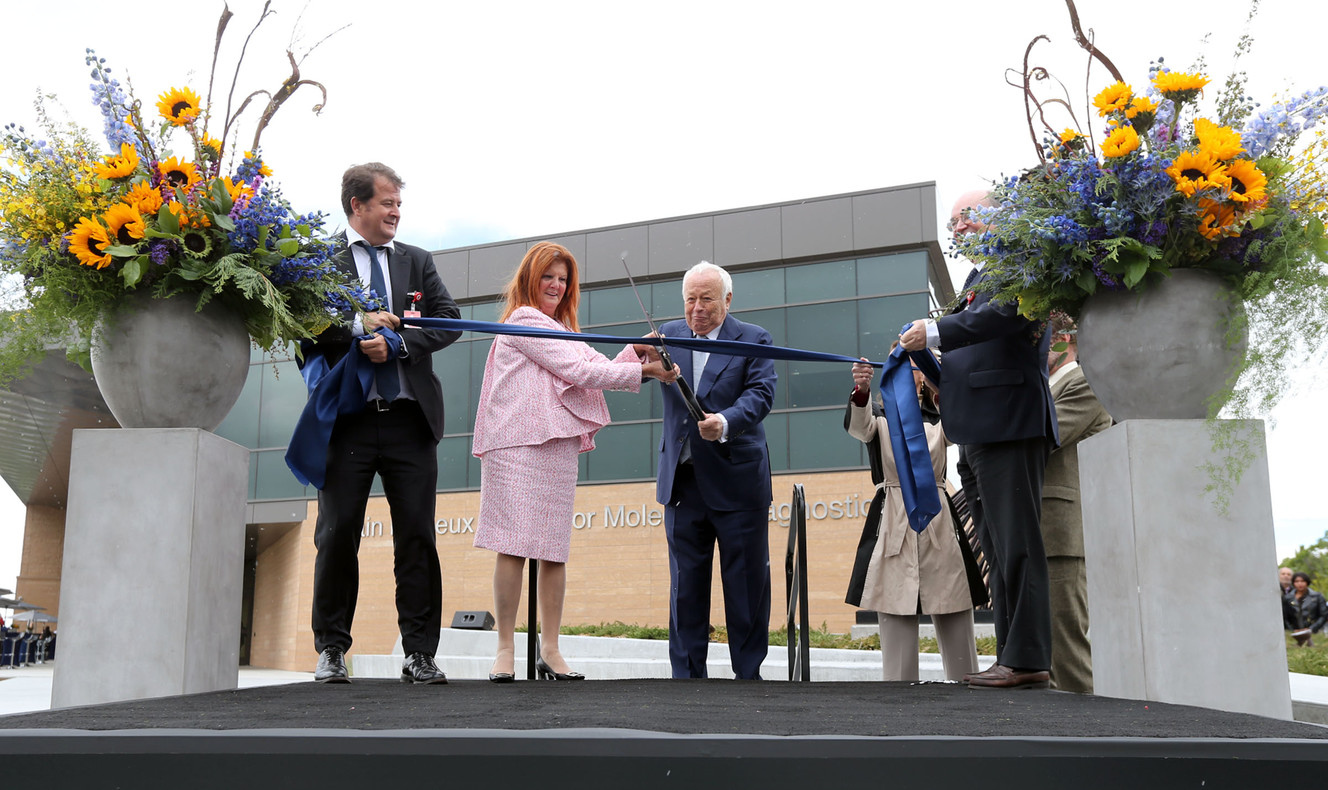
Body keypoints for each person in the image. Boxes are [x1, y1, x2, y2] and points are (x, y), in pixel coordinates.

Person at [472, 242, 676, 682]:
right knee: (512, 545)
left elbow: (596, 367)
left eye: (563, 279)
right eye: (549, 276)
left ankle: (551, 648)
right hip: (515, 444)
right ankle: (505, 648)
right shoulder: (524, 319)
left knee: (552, 549)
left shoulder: (562, 327)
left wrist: (637, 353)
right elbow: (581, 373)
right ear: (531, 277)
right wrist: (647, 371)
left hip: (556, 444)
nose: (557, 285)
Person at [304, 162, 462, 685]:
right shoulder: (321, 262)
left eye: (399, 204)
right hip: (346, 422)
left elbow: (449, 322)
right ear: (357, 206)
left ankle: (419, 654)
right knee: (336, 534)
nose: (396, 212)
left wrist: (398, 342)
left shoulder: (418, 261)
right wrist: (355, 327)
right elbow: (301, 324)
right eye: (387, 202)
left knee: (416, 537)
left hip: (410, 422)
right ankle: (331, 649)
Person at [900, 189, 1059, 690]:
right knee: (997, 547)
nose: (959, 228)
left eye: (967, 216)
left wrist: (936, 330)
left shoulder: (1021, 258)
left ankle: (1029, 657)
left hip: (1009, 421)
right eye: (954, 221)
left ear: (1002, 215)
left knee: (1018, 544)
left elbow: (1005, 315)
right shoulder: (977, 277)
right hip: (978, 427)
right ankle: (1012, 655)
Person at [655, 261, 777, 679]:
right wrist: (636, 355)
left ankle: (748, 676)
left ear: (728, 299)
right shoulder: (665, 337)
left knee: (745, 587)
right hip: (683, 484)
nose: (697, 308)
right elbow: (625, 366)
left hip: (737, 483)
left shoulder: (755, 339)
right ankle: (687, 679)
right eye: (690, 299)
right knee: (685, 587)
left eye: (707, 298)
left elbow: (761, 394)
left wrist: (724, 422)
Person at [847, 353, 979, 682]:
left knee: (954, 602)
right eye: (905, 367)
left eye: (917, 367)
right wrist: (861, 389)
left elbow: (962, 427)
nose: (912, 375)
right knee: (895, 605)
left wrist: (944, 385)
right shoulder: (878, 417)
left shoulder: (939, 418)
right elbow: (858, 427)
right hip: (892, 518)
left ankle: (971, 699)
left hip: (937, 518)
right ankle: (899, 700)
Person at [1040, 312, 1112, 693]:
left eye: (1043, 335)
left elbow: (1045, 435)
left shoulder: (1087, 383)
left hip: (1062, 531)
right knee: (1046, 652)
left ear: (1063, 341)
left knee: (1067, 648)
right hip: (1043, 528)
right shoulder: (1051, 384)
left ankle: (1092, 736)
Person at [1289, 572, 1328, 647]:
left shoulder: (1317, 596)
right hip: (1293, 634)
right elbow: (1284, 617)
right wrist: (1293, 630)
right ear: (1293, 583)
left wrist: (1311, 629)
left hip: (1315, 633)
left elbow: (1323, 615)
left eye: (1302, 581)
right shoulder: (1287, 598)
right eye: (1297, 581)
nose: (1300, 584)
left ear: (1307, 582)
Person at [1281, 566, 1300, 632]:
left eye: (1288, 574)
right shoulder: (1272, 590)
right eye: (1283, 574)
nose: (1286, 576)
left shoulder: (1297, 592)